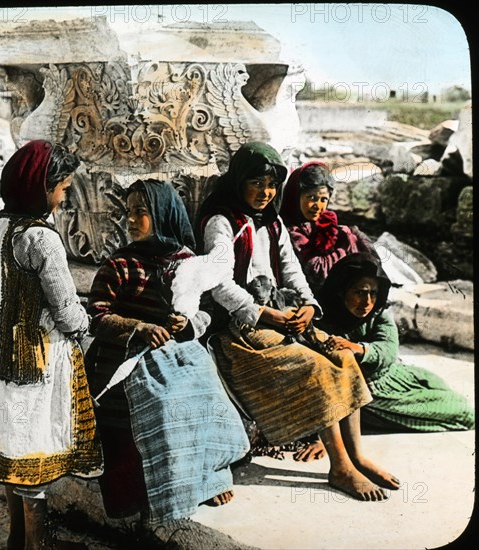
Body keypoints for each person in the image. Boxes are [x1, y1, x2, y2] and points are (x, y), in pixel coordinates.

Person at [198, 141, 400, 501]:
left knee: (342, 355)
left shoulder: (272, 223)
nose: (266, 193)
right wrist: (262, 313)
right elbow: (218, 283)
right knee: (315, 367)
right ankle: (340, 469)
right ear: (240, 181)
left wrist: (308, 305)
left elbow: (292, 271)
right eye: (256, 183)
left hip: (278, 317)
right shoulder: (222, 222)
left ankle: (356, 456)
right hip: (239, 329)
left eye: (272, 184)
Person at [0, 140, 103, 550]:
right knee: (32, 452)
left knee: (13, 449)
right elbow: (68, 311)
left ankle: (16, 538)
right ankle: (35, 544)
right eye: (63, 187)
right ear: (43, 187)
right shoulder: (41, 238)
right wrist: (93, 322)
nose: (65, 196)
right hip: (34, 363)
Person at [85, 178, 249, 523]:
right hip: (126, 359)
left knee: (210, 396)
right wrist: (139, 327)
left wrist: (187, 325)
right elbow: (97, 317)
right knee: (163, 404)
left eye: (141, 212)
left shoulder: (188, 262)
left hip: (176, 353)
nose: (130, 220)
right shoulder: (119, 265)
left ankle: (209, 477)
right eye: (128, 212)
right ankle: (163, 492)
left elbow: (208, 311)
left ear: (163, 215)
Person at [317, 252, 475, 433]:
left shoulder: (378, 315)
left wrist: (359, 348)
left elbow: (388, 350)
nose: (367, 302)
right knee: (465, 414)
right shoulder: (323, 319)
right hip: (372, 394)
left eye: (373, 293)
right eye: (359, 293)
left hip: (394, 377)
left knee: (443, 390)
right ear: (341, 290)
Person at [279, 161, 377, 294]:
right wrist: (346, 246)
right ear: (296, 196)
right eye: (311, 198)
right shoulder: (291, 231)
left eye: (323, 199)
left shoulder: (324, 221)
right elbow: (317, 271)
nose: (317, 206)